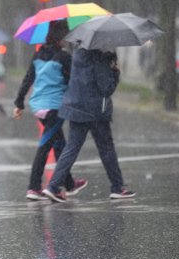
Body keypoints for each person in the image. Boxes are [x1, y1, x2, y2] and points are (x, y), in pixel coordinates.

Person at [42, 48, 135, 201]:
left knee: (71, 148)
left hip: (76, 107)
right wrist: (115, 72)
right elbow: (106, 88)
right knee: (106, 148)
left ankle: (53, 186)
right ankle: (117, 187)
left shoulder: (78, 54)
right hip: (95, 111)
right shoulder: (100, 58)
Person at [13, 21, 85, 200]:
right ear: (61, 38)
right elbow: (72, 82)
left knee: (59, 144)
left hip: (38, 105)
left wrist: (19, 103)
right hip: (55, 107)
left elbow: (28, 78)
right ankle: (34, 187)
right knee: (45, 146)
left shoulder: (38, 55)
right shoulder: (63, 57)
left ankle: (68, 184)